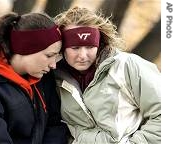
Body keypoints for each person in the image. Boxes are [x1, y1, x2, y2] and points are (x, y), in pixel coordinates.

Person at [54, 7, 161, 144]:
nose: (83, 55)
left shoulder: (127, 66)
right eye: (75, 48)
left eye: (90, 47)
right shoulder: (53, 77)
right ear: (62, 47)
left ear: (99, 44)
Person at [0, 12, 68, 144]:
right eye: (49, 55)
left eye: (56, 56)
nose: (53, 65)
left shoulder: (42, 77)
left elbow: (55, 125)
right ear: (26, 49)